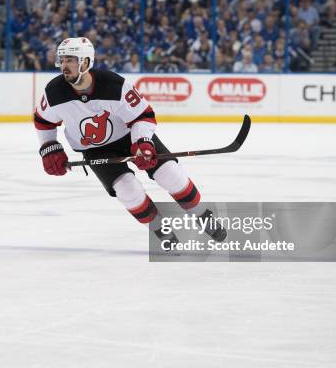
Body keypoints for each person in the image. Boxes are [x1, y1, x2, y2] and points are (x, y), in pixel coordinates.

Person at [33, 37, 226, 243]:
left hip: (129, 137)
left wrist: (143, 142)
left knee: (171, 175)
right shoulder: (53, 92)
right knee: (127, 189)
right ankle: (160, 229)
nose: (64, 65)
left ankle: (202, 215)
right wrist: (50, 148)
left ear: (86, 62)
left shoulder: (114, 85)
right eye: (62, 60)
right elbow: (43, 121)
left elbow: (143, 116)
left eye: (70, 60)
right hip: (96, 150)